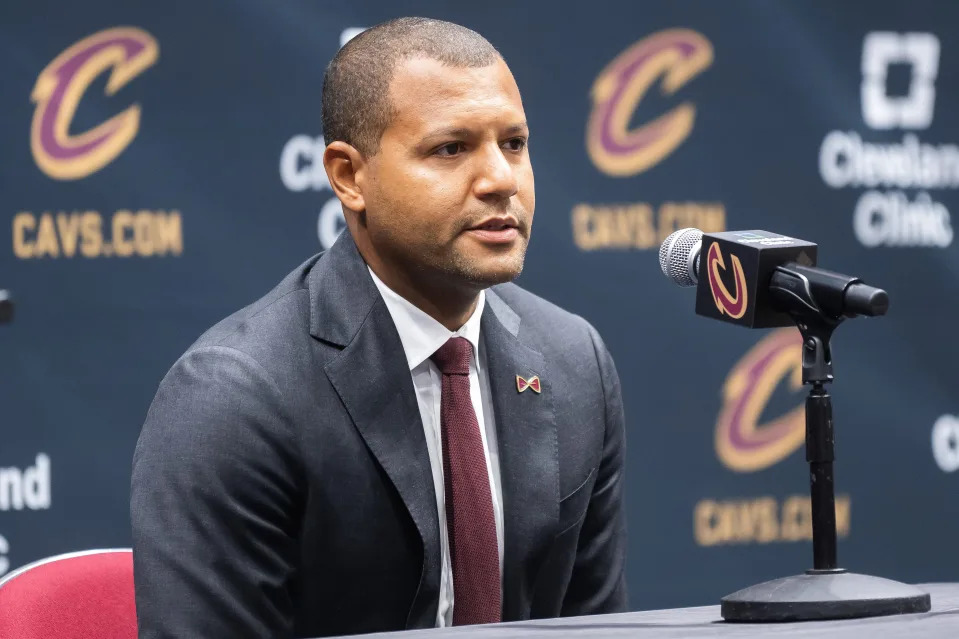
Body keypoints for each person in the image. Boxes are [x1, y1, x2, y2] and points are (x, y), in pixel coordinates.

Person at [130, 16, 627, 639]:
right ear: (348, 176)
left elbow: (597, 628)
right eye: (451, 148)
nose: (501, 179)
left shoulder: (573, 361)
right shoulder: (234, 398)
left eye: (515, 143)